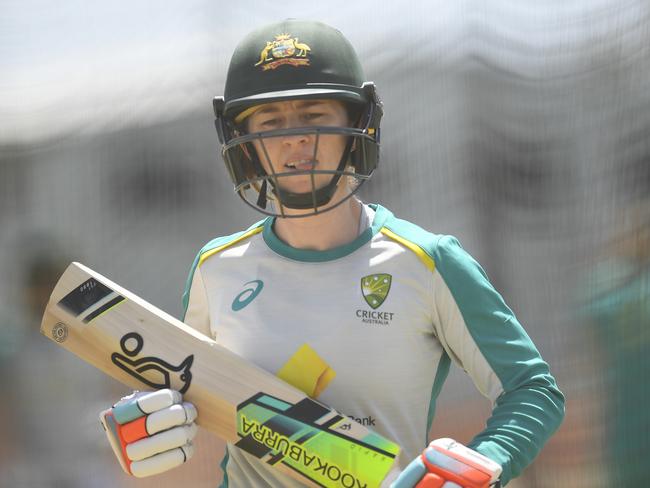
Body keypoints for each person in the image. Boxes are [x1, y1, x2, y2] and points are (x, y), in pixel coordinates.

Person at [101, 19, 565, 487]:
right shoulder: (215, 270)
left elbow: (532, 390)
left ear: (356, 124)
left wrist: (483, 466)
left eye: (313, 114)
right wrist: (144, 423)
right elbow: (181, 397)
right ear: (241, 143)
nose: (294, 138)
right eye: (270, 121)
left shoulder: (426, 262)